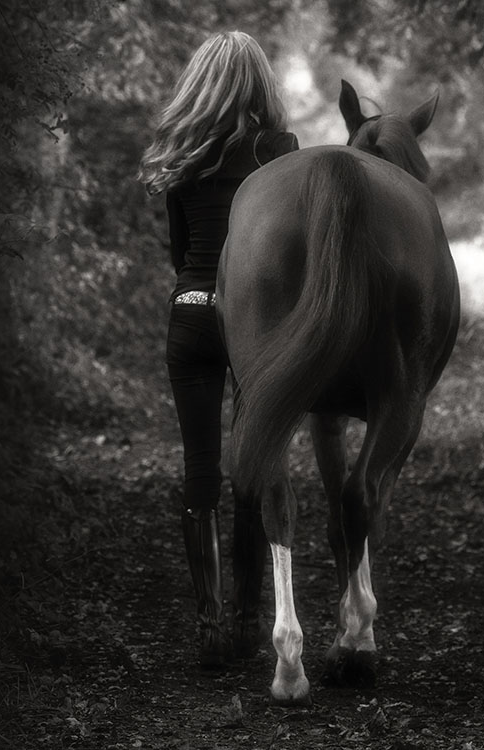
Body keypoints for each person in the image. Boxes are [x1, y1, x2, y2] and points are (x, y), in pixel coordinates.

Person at [138, 30, 299, 668]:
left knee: (199, 470)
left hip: (190, 315)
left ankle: (209, 628)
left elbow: (180, 257)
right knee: (253, 466)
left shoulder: (183, 152)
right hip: (253, 325)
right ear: (261, 82)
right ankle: (250, 617)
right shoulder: (278, 151)